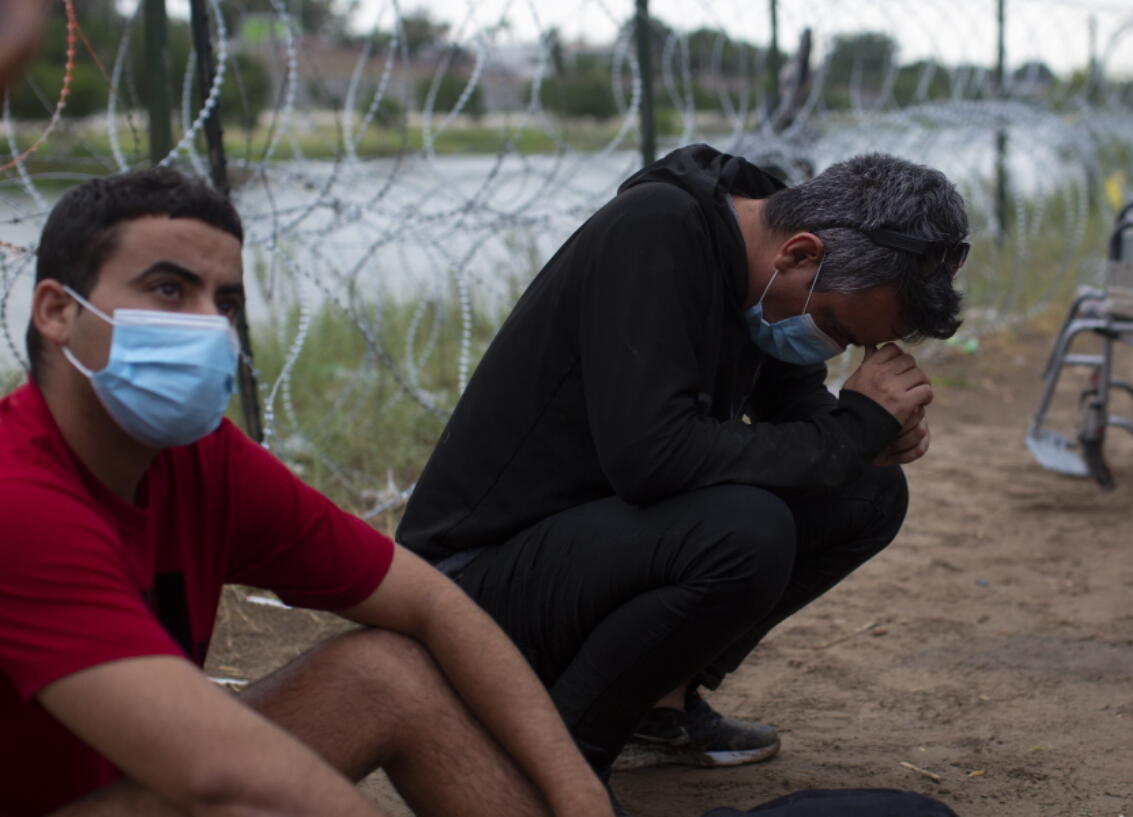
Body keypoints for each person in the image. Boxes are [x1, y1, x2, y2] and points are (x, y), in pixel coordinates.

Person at [0, 168, 617, 817]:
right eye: (169, 289)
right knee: (246, 792)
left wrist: (580, 796)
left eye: (227, 302)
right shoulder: (19, 498)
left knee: (383, 676)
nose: (210, 327)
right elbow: (220, 772)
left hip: (126, 789)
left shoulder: (203, 462)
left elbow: (431, 601)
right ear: (57, 311)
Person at [395, 145, 969, 777]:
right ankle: (555, 768)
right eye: (835, 327)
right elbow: (653, 457)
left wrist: (869, 438)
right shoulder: (657, 232)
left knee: (868, 492)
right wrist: (848, 430)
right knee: (745, 534)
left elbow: (796, 414)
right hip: (469, 585)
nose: (833, 349)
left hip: (583, 554)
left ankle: (653, 705)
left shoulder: (770, 272)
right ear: (800, 254)